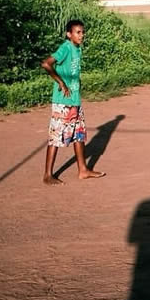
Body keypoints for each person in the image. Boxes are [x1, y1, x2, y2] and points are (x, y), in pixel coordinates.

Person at [41, 19, 105, 184]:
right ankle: (48, 175)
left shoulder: (78, 48)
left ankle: (83, 170)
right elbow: (46, 64)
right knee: (56, 136)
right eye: (78, 32)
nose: (81, 35)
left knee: (79, 135)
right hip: (63, 101)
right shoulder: (66, 48)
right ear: (69, 34)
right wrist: (60, 81)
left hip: (75, 100)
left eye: (82, 32)